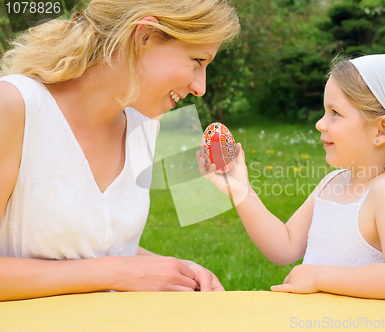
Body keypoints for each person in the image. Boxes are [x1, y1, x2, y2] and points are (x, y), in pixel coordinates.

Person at [0, 0, 240, 301]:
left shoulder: (146, 125)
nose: (200, 87)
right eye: (196, 61)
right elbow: (107, 266)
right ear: (145, 36)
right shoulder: (13, 106)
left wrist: (176, 270)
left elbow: (96, 243)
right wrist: (115, 272)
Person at [198, 54, 385, 300]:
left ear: (381, 129)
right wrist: (242, 191)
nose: (320, 123)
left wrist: (319, 277)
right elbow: (284, 247)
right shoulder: (332, 183)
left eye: (335, 113)